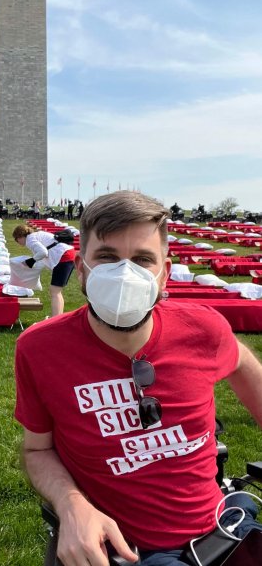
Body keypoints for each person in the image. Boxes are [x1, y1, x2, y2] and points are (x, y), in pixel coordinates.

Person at [14, 190, 262, 566]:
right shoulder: (39, 349)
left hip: (224, 527)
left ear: (164, 273)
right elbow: (36, 449)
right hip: (131, 550)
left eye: (142, 259)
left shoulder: (203, 329)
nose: (124, 273)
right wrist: (70, 504)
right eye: (108, 257)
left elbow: (241, 361)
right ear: (81, 269)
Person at [13, 224, 75, 317]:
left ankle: (55, 320)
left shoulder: (30, 240)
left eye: (16, 239)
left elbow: (43, 252)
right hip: (67, 254)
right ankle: (58, 317)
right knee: (56, 291)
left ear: (20, 236)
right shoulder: (35, 236)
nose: (17, 242)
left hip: (63, 257)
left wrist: (31, 261)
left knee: (55, 291)